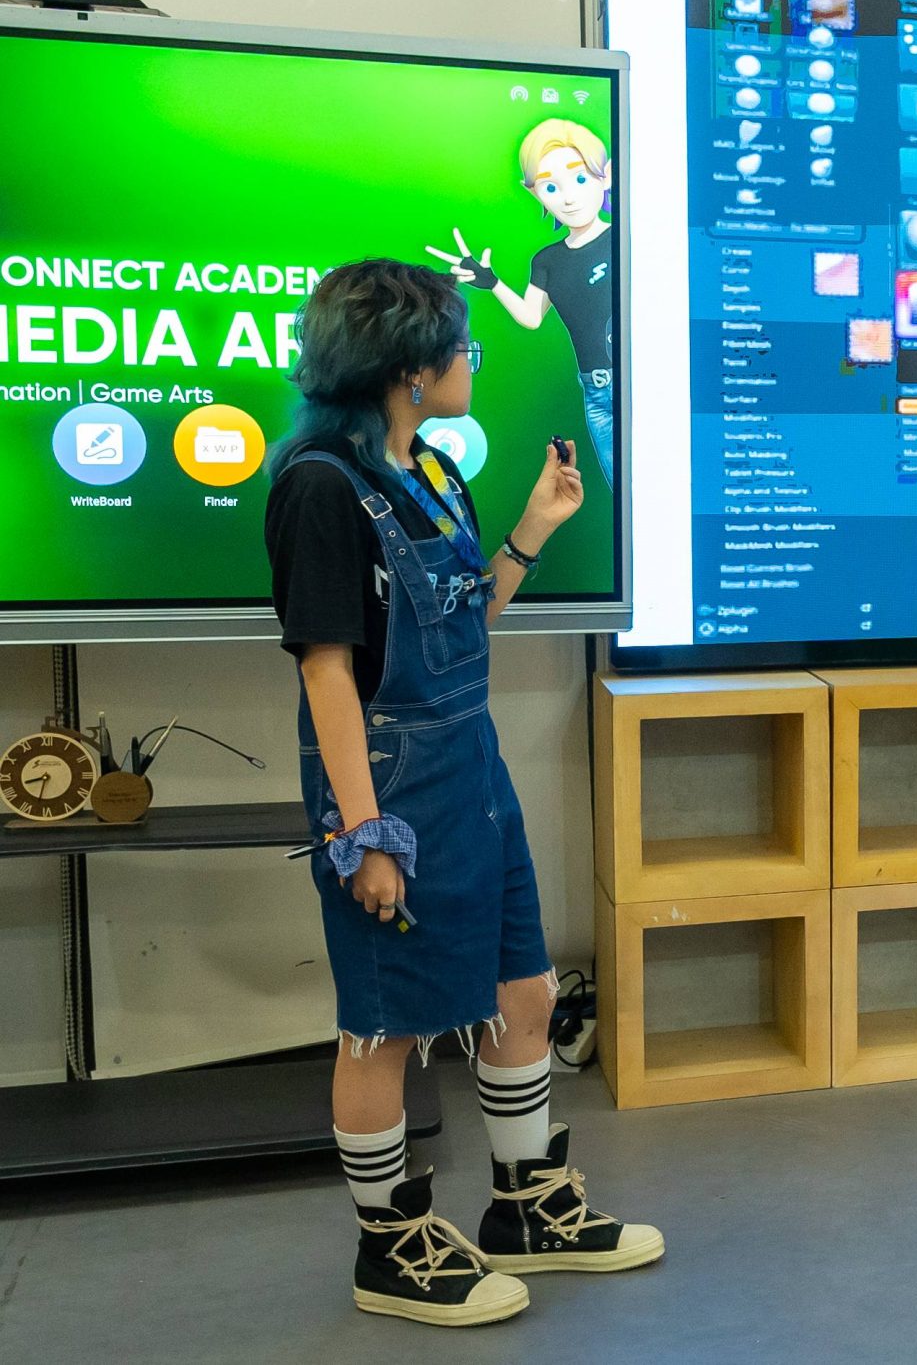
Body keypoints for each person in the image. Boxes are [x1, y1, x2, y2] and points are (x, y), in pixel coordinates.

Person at [264, 258, 661, 1327]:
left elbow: (462, 619)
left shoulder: (433, 468)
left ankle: (527, 1210)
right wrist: (365, 833)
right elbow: (327, 671)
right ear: (409, 368)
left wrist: (531, 531)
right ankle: (389, 1250)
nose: (469, 362)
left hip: (472, 767)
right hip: (387, 787)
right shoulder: (317, 486)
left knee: (522, 993)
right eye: (459, 347)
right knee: (383, 1027)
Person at [427, 118, 618, 487]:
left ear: (606, 176)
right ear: (534, 193)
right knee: (622, 488)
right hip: (595, 394)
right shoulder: (547, 260)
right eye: (551, 186)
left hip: (633, 379)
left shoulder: (625, 238)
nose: (568, 197)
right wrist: (492, 282)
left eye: (580, 178)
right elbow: (531, 317)